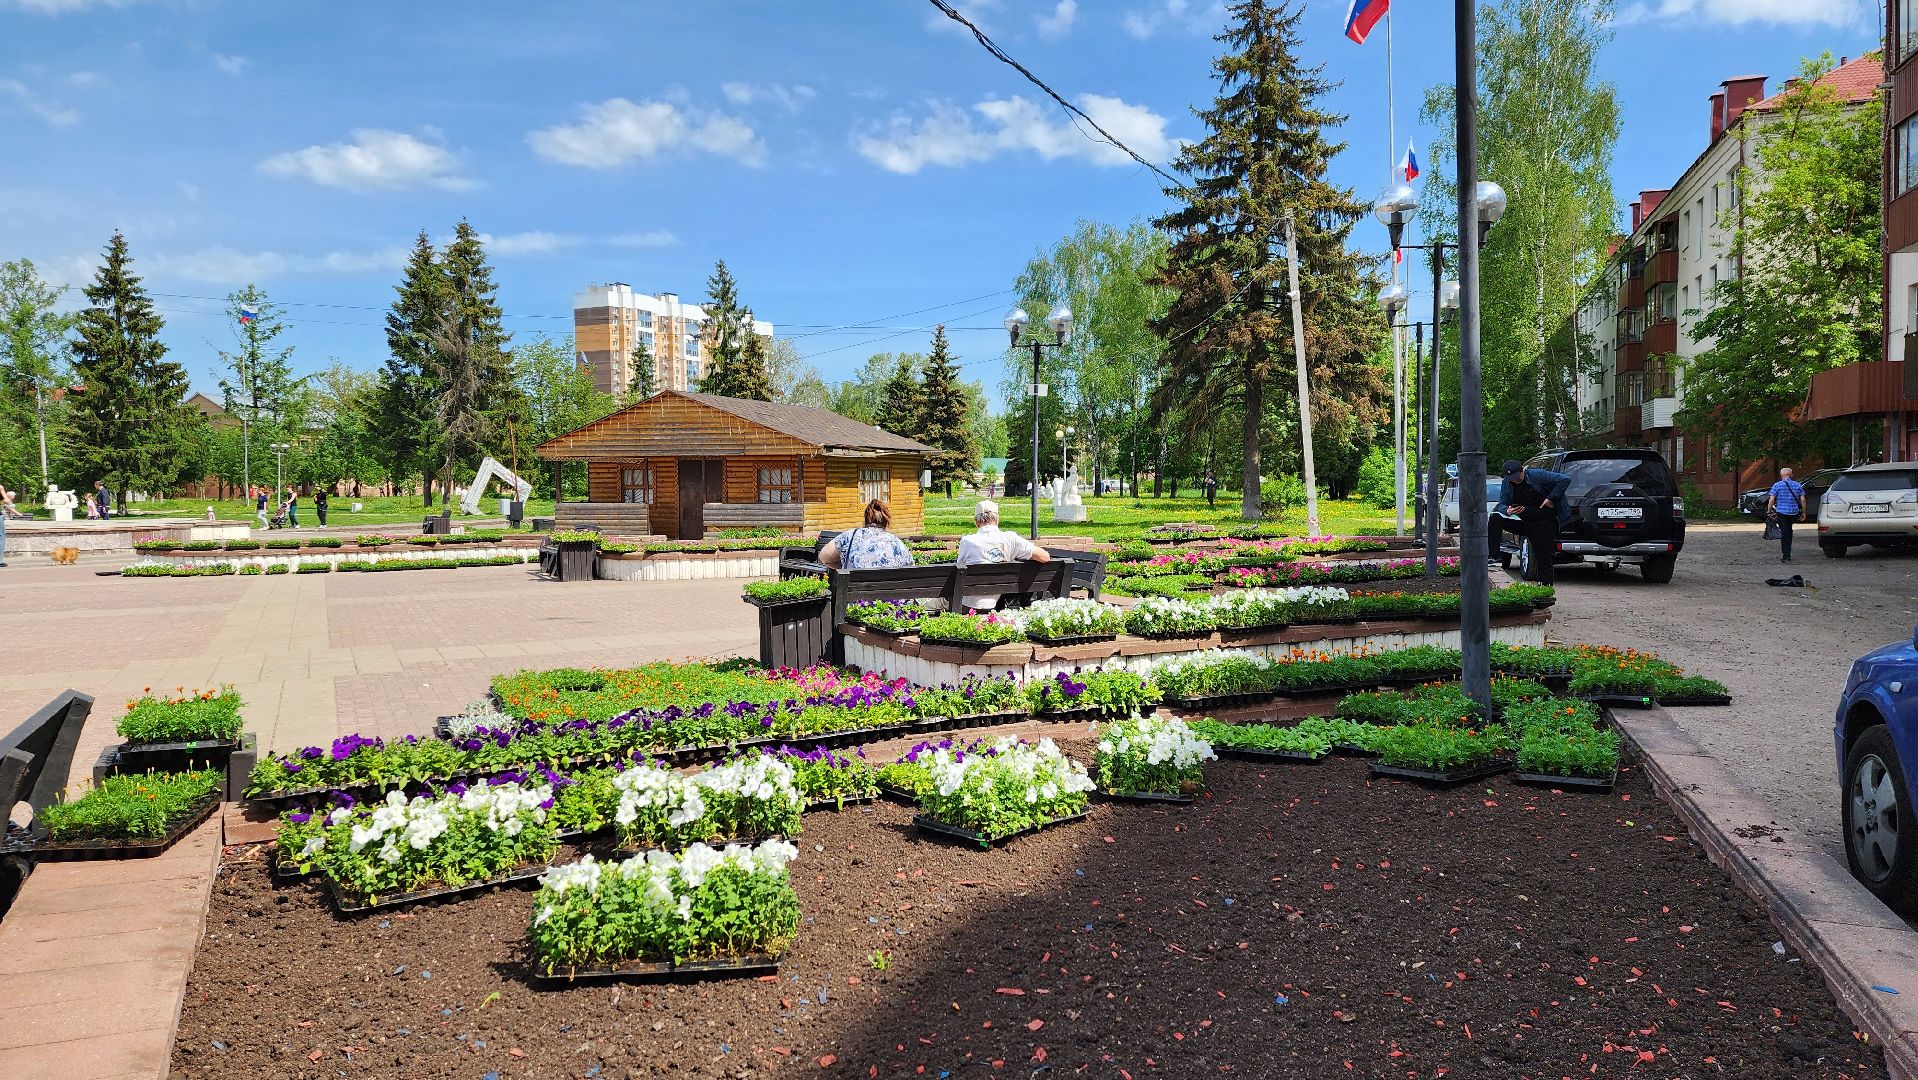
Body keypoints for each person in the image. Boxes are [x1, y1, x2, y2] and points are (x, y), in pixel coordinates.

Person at [955, 499, 1052, 612]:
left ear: (976, 521)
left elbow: (959, 570)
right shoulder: (1011, 539)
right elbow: (1045, 557)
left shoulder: (967, 541)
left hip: (969, 604)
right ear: (997, 519)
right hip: (999, 603)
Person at [1492, 459, 1572, 585]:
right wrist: (1508, 510)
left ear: (1522, 471)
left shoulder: (1536, 475)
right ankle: (1494, 557)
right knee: (1495, 518)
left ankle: (1545, 586)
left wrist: (1551, 497)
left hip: (1544, 522)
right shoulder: (1507, 483)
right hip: (1525, 522)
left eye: (1517, 477)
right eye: (1511, 479)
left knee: (1543, 555)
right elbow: (1502, 503)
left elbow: (1565, 479)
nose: (1515, 481)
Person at [819, 499, 915, 571]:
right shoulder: (897, 542)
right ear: (885, 522)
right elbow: (911, 569)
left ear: (866, 519)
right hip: (890, 592)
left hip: (854, 592)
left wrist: (845, 567)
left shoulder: (850, 536)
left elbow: (823, 557)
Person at [1766, 466, 1808, 563]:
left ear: (1781, 475)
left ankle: (1786, 554)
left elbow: (1771, 500)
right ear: (1791, 475)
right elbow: (1803, 500)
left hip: (1782, 512)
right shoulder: (1797, 485)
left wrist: (1769, 510)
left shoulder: (1777, 485)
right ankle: (1787, 552)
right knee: (1788, 531)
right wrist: (1803, 512)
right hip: (1794, 512)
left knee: (1785, 533)